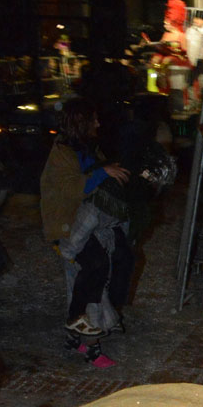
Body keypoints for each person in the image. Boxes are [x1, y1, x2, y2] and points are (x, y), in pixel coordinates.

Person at [40, 98, 132, 366]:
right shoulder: (63, 153)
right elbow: (73, 188)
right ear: (81, 123)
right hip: (67, 227)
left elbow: (100, 179)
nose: (98, 123)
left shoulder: (85, 148)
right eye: (93, 119)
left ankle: (79, 331)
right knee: (94, 268)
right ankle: (85, 337)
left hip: (87, 224)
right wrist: (103, 172)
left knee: (110, 265)